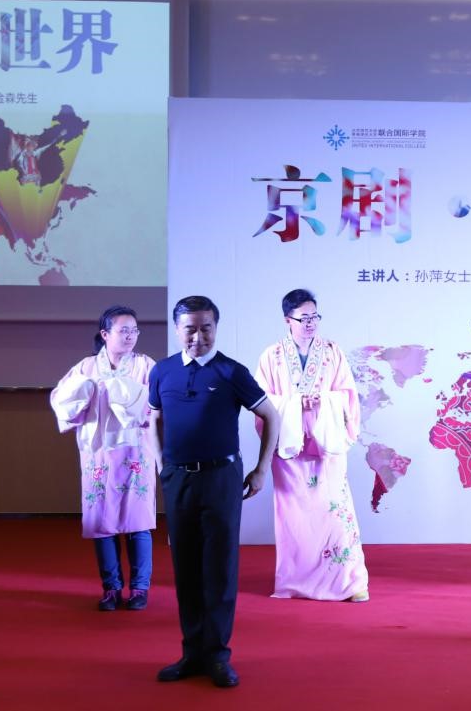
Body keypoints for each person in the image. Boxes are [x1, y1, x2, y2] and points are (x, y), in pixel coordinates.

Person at [148, 295, 280, 688]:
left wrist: (261, 469)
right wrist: (162, 465)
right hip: (179, 479)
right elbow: (153, 420)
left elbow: (270, 415)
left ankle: (218, 656)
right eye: (190, 329)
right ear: (177, 329)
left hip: (222, 478)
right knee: (186, 567)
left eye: (206, 328)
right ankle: (192, 653)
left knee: (219, 568)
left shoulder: (230, 372)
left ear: (215, 328)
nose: (198, 337)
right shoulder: (162, 371)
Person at [255, 289, 369, 602]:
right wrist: (294, 405)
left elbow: (348, 395)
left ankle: (349, 582)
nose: (310, 323)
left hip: (326, 445)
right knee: (295, 518)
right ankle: (296, 581)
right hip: (289, 450)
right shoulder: (271, 356)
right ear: (287, 321)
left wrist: (324, 402)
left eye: (314, 317)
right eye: (303, 318)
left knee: (335, 512)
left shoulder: (332, 352)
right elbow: (262, 402)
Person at [50, 306, 159, 611]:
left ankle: (139, 588)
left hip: (135, 451)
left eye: (134, 330)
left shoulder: (145, 365)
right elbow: (61, 400)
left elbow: (156, 403)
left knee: (138, 520)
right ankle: (111, 587)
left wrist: (127, 394)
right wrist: (83, 391)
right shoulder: (86, 367)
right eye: (123, 330)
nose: (130, 336)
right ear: (105, 334)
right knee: (102, 521)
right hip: (97, 453)